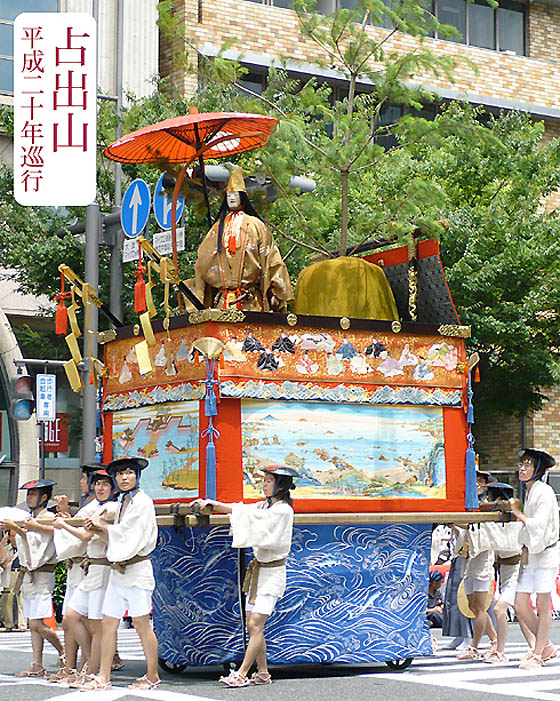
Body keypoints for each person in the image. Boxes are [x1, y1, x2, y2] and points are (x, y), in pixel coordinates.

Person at [193, 464, 297, 687]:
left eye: (269, 481)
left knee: (256, 623)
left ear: (281, 486)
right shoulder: (265, 506)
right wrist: (216, 504)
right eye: (266, 480)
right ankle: (263, 673)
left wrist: (223, 507)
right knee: (253, 624)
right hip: (259, 571)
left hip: (272, 572)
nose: (265, 484)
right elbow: (244, 511)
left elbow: (255, 521)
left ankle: (242, 672)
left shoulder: (283, 510)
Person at [79, 457, 158, 691]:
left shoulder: (143, 502)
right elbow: (118, 538)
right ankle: (103, 675)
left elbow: (128, 534)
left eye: (129, 473)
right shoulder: (123, 501)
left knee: (142, 624)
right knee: (108, 622)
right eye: (120, 474)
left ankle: (152, 675)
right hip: (119, 570)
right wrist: (100, 529)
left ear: (137, 476)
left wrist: (101, 526)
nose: (124, 477)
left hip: (137, 569)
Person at [192, 167, 294, 312]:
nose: (231, 198)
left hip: (251, 303)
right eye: (228, 195)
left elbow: (272, 260)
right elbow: (202, 264)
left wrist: (276, 292)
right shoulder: (217, 228)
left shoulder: (256, 225)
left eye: (235, 194)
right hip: (222, 304)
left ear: (242, 197)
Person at [53, 470, 120, 685]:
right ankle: (90, 662)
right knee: (71, 617)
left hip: (102, 569)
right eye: (97, 484)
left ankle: (91, 671)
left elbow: (86, 535)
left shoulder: (111, 508)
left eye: (105, 485)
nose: (100, 488)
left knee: (96, 625)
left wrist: (63, 524)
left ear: (113, 489)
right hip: (90, 569)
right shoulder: (98, 507)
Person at [1, 479, 64, 677]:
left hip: (43, 574)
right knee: (32, 625)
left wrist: (18, 529)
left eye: (33, 494)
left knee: (37, 624)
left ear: (44, 497)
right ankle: (37, 662)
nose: (29, 498)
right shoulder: (31, 518)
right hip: (29, 575)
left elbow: (39, 547)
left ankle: (64, 651)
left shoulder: (48, 517)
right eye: (29, 494)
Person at [510, 448, 559, 669]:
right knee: (520, 603)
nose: (522, 468)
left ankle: (538, 654)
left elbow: (538, 523)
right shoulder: (531, 491)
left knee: (542, 603)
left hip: (546, 553)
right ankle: (546, 646)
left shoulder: (544, 491)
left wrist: (518, 513)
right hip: (532, 553)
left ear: (537, 469)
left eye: (528, 464)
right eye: (521, 464)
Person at [480, 482, 523, 664]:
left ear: (497, 499)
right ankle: (543, 646)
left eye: (489, 497)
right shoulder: (500, 521)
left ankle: (501, 650)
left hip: (518, 570)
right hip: (506, 570)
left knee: (499, 609)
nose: (486, 500)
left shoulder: (513, 520)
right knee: (521, 613)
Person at [0, 530, 26, 631]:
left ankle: (22, 624)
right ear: (9, 537)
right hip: (9, 574)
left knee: (22, 599)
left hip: (21, 573)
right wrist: (3, 542)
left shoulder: (24, 548)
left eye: (16, 536)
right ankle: (8, 624)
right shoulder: (6, 549)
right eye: (12, 536)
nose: (14, 539)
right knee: (7, 600)